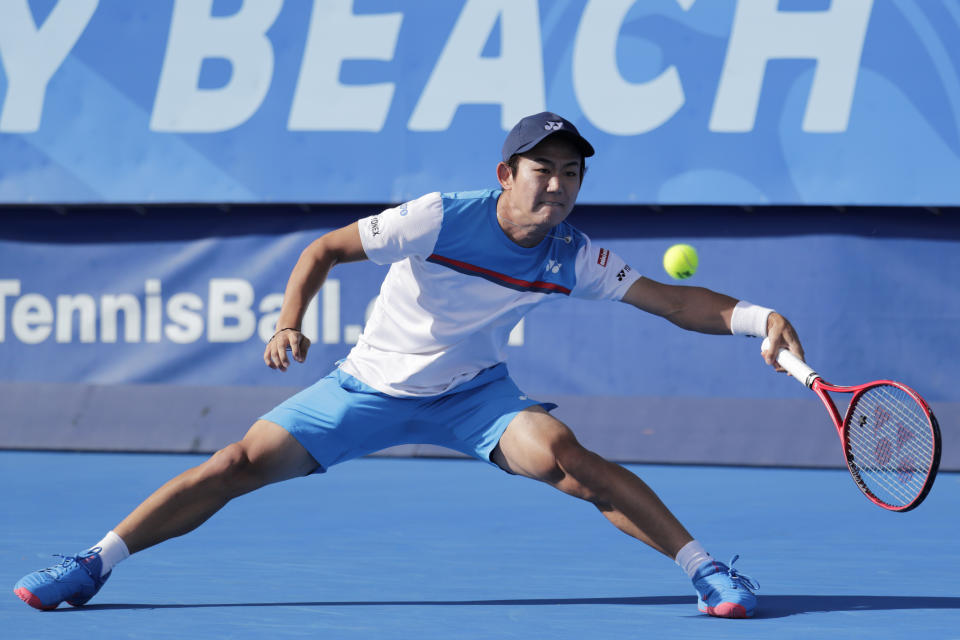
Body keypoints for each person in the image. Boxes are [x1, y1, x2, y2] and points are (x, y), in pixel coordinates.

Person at [14, 112, 803, 618]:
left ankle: (708, 572)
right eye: (543, 172)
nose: (558, 187)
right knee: (233, 463)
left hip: (475, 399)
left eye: (571, 175)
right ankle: (93, 563)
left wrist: (758, 320)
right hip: (365, 388)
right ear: (507, 176)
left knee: (568, 459)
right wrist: (290, 321)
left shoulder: (572, 254)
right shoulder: (440, 217)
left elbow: (672, 302)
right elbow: (323, 250)